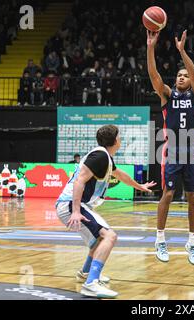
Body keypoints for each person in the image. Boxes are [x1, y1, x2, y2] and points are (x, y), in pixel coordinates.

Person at [55, 125, 156, 298]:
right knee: (110, 236)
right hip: (71, 205)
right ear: (115, 140)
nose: (121, 139)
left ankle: (86, 273)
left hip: (73, 205)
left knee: (99, 240)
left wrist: (140, 186)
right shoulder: (100, 155)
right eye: (120, 136)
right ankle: (91, 283)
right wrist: (76, 211)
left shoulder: (105, 157)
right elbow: (80, 181)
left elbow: (120, 175)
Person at [147, 29, 194, 265]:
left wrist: (182, 52)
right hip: (172, 151)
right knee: (168, 194)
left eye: (185, 75)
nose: (181, 77)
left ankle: (192, 241)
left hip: (191, 151)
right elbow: (154, 75)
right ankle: (160, 239)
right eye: (178, 75)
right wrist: (150, 47)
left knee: (193, 197)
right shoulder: (168, 95)